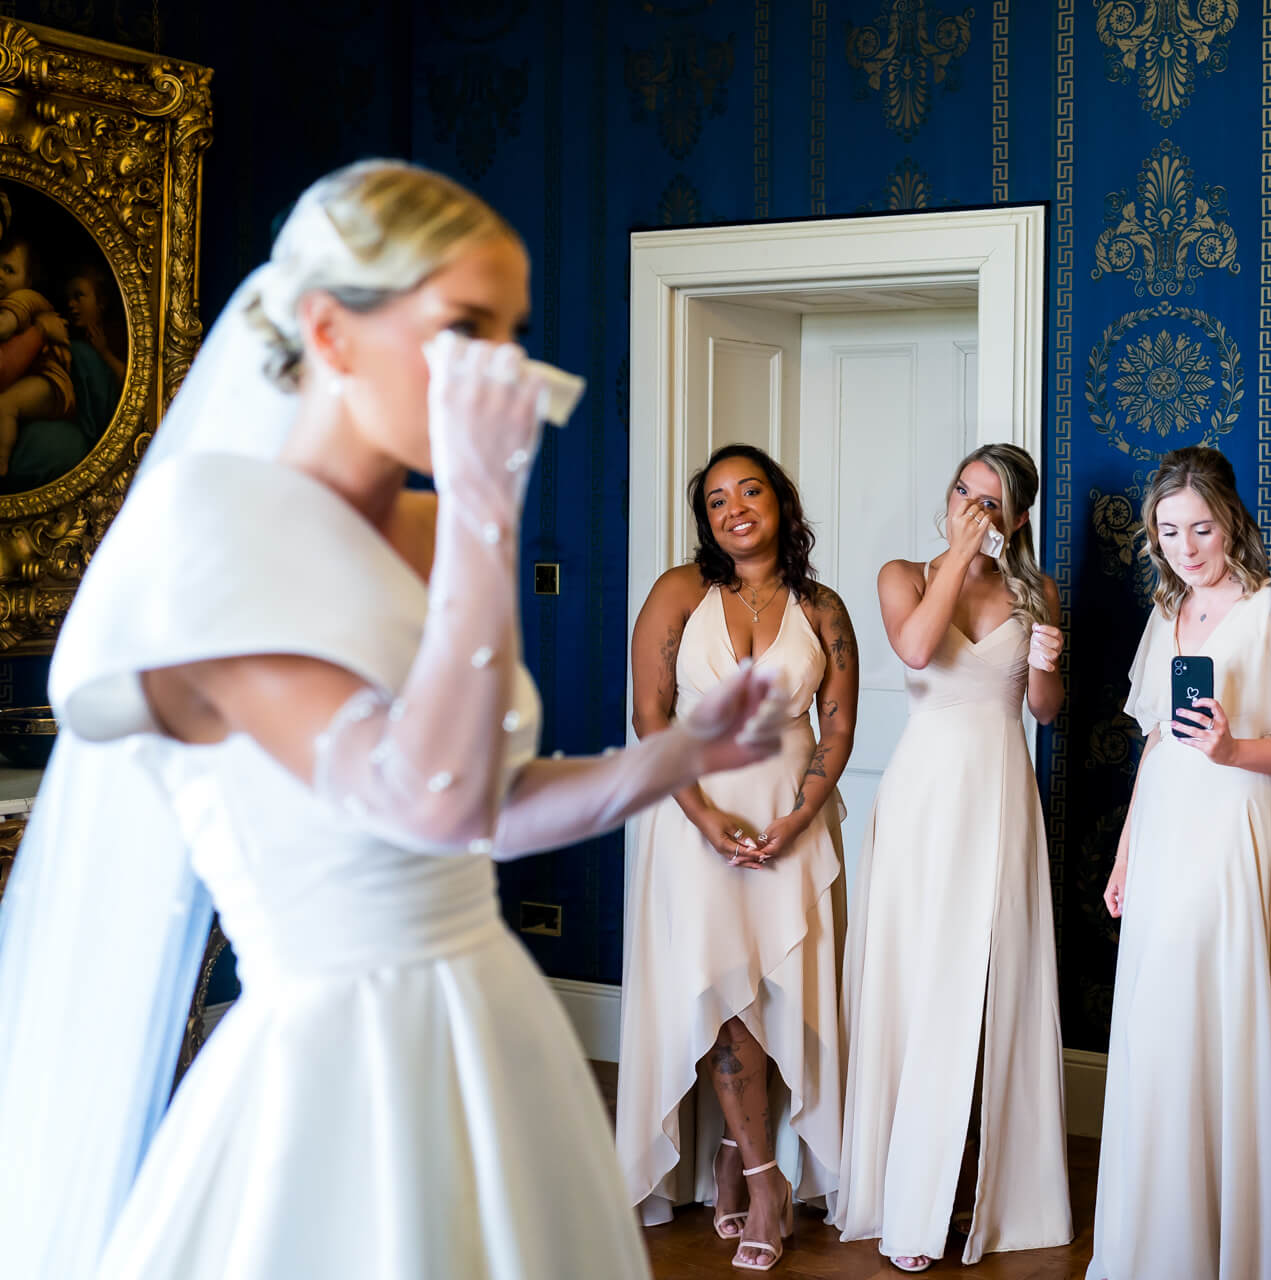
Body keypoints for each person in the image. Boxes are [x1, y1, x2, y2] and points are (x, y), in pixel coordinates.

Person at [0, 159, 791, 1279]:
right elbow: (428, 797)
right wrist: (486, 510)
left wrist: (679, 754)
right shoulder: (212, 529)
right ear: (329, 330)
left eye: (512, 334)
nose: (502, 372)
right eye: (465, 326)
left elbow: (490, 806)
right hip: (339, 1051)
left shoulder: (428, 527)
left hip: (492, 1018)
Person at [832, 443, 1072, 1273]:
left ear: (1016, 517)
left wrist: (1047, 664)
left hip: (1001, 794)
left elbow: (1044, 710)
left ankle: (986, 1181)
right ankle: (911, 1189)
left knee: (988, 986)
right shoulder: (904, 573)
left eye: (991, 501)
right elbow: (916, 649)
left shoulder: (1034, 591)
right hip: (924, 802)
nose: (971, 506)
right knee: (920, 984)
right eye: (963, 490)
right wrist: (962, 557)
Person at [619, 443, 858, 1273]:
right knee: (721, 996)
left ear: (781, 504)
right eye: (716, 501)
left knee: (779, 993)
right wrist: (702, 814)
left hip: (790, 820)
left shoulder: (824, 608)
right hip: (694, 818)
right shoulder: (679, 594)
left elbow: (838, 729)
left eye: (749, 491)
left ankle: (733, 1153)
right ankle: (764, 1182)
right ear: (706, 522)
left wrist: (797, 822)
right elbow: (652, 717)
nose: (734, 509)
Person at [1088, 445, 1271, 1280]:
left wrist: (1232, 749)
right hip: (1166, 833)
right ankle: (1162, 1240)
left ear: (1231, 522)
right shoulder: (1170, 611)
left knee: (1227, 1010)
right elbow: (1154, 744)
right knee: (1163, 1021)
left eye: (1202, 528)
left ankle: (1241, 1245)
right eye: (1170, 531)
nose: (1187, 547)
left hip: (1238, 826)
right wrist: (1124, 853)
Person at [0, 234, 74, 476]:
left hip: (48, 381)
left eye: (9, 270)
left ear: (28, 280)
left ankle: (1, 463)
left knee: (5, 405)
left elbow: (3, 327)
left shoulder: (23, 298)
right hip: (30, 376)